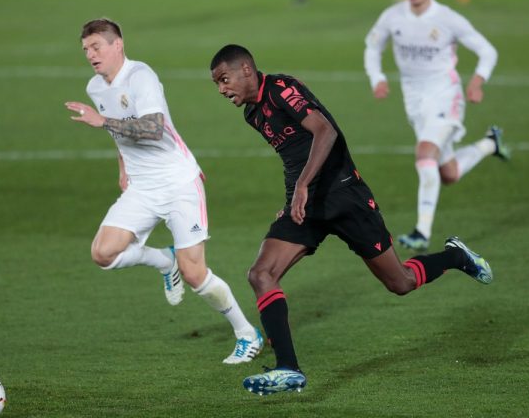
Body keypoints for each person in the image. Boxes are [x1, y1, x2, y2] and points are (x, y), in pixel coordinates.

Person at [210, 44, 494, 395]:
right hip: (307, 206)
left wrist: (301, 185)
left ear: (246, 70)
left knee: (400, 282)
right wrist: (294, 197)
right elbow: (294, 156)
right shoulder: (253, 115)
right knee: (260, 274)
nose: (222, 89)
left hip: (346, 196)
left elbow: (326, 132)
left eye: (224, 79)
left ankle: (455, 256)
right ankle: (288, 369)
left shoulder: (282, 89)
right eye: (217, 84)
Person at [64, 19, 262, 364]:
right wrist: (123, 168)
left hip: (178, 183)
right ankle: (163, 261)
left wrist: (103, 121)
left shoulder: (141, 77)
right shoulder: (96, 88)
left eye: (96, 47)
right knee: (103, 254)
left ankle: (247, 334)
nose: (90, 55)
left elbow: (154, 128)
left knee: (195, 273)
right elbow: (119, 134)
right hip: (142, 187)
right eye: (85, 50)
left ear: (117, 45)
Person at [364, 0, 510, 251]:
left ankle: (422, 231)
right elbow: (372, 48)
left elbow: (488, 51)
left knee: (424, 155)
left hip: (445, 96)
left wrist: (477, 81)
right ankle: (491, 144)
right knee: (449, 173)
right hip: (415, 103)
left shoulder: (448, 18)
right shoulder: (392, 16)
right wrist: (378, 78)